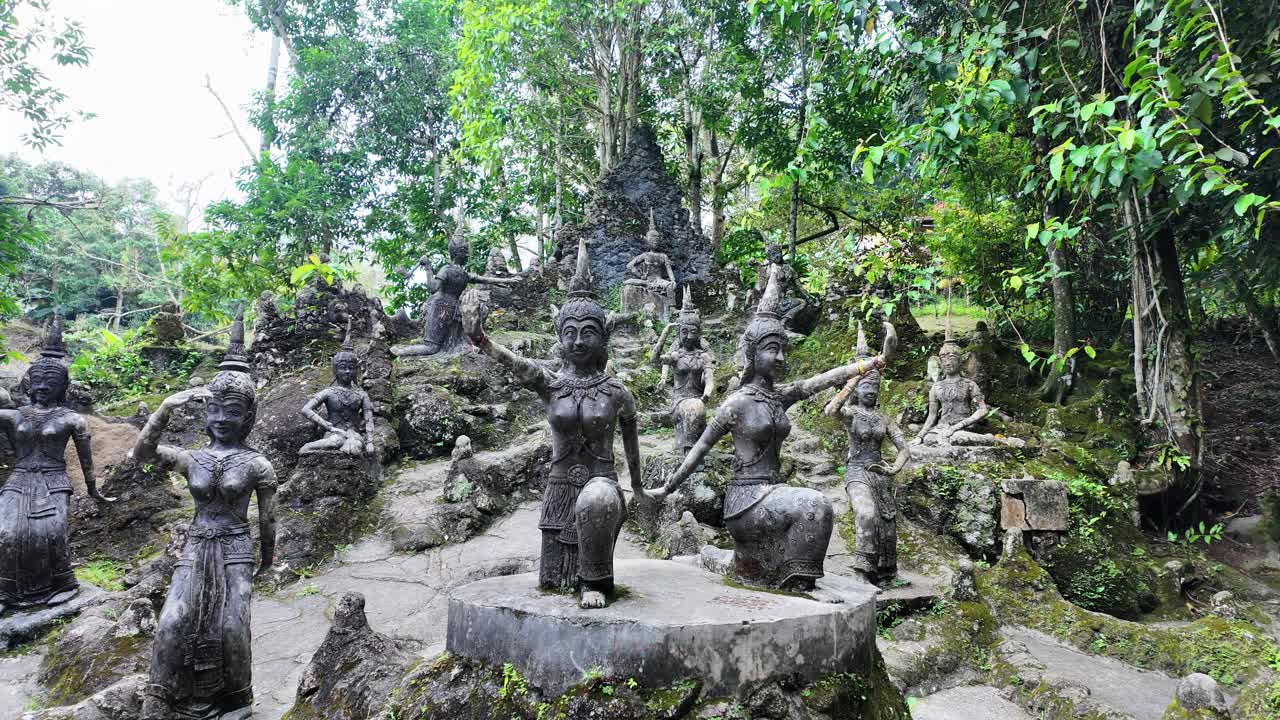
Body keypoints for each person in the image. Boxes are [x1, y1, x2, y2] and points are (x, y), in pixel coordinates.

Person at [462, 237, 643, 609]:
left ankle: (595, 583)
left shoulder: (617, 392)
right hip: (560, 488)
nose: (578, 341)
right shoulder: (553, 384)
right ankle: (571, 582)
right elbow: (517, 364)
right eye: (570, 332)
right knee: (554, 580)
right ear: (559, 336)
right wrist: (482, 340)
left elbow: (632, 447)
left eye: (587, 332)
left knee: (595, 501)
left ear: (603, 336)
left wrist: (639, 490)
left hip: (602, 488)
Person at [132, 312, 276, 720]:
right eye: (214, 411)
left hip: (234, 549)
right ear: (205, 413)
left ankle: (237, 701)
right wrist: (163, 409)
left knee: (231, 627)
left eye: (232, 412)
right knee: (173, 621)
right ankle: (161, 699)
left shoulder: (257, 464)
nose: (222, 420)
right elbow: (143, 454)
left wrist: (267, 559)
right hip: (196, 546)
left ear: (248, 416)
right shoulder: (192, 458)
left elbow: (268, 521)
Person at [0, 314, 112, 612]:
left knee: (50, 532)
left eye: (51, 382)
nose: (43, 386)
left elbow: (87, 462)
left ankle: (62, 584)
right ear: (28, 382)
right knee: (7, 532)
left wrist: (93, 490)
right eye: (37, 380)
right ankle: (7, 592)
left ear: (63, 386)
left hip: (53, 480)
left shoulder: (72, 419)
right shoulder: (12, 415)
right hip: (19, 478)